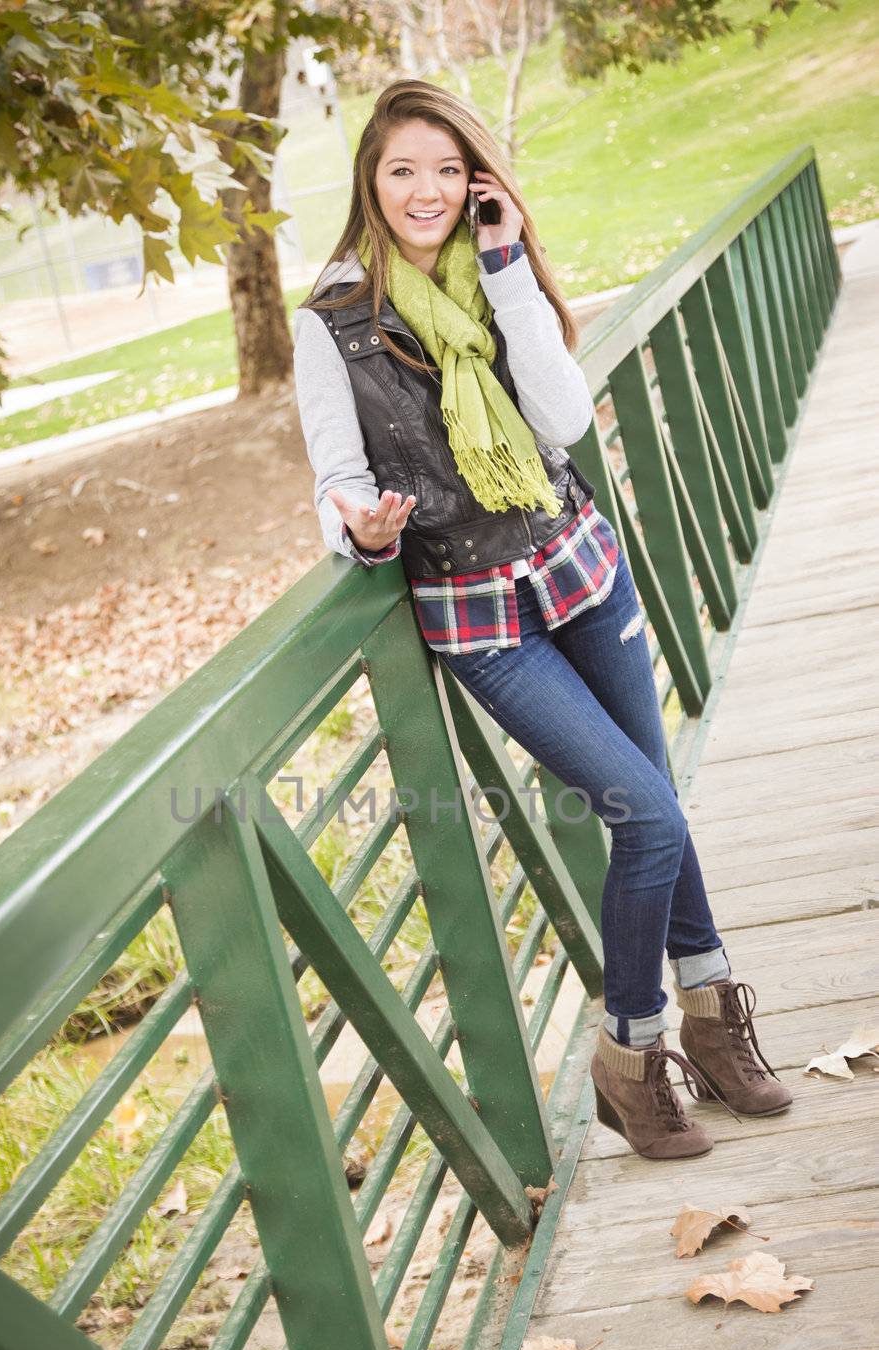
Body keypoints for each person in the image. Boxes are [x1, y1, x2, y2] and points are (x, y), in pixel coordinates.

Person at [291, 78, 791, 1160]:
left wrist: (509, 266)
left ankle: (710, 1014)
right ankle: (631, 1052)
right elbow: (335, 476)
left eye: (443, 169)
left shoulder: (495, 276)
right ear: (370, 186)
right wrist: (366, 530)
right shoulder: (331, 320)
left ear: (475, 180)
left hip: (582, 567)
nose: (423, 192)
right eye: (399, 171)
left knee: (652, 798)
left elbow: (562, 419)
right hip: (480, 618)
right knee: (648, 816)